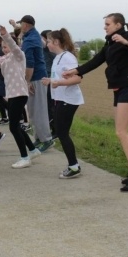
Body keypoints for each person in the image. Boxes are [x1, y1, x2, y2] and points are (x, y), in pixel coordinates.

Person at [63, 13, 128, 192]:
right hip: (118, 87)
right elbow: (96, 61)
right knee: (120, 132)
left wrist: (125, 42)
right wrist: (76, 71)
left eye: (108, 24)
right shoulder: (109, 42)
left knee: (121, 132)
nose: (105, 27)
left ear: (118, 25)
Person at [0, 25, 42, 168]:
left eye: (7, 46)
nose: (5, 48)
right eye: (3, 47)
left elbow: (14, 47)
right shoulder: (5, 59)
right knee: (16, 126)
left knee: (14, 127)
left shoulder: (19, 56)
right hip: (12, 94)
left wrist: (5, 35)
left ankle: (24, 157)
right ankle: (32, 150)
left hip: (20, 93)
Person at [41, 28, 84, 178]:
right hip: (60, 99)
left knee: (62, 133)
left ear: (56, 42)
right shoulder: (58, 57)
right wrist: (52, 81)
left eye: (48, 41)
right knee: (61, 132)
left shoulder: (68, 57)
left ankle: (74, 167)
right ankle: (73, 165)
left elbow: (77, 78)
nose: (47, 44)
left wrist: (57, 82)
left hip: (68, 100)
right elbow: (58, 78)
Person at [10, 15, 54, 151]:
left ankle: (46, 140)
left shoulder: (30, 41)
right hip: (37, 76)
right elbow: (42, 43)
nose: (20, 27)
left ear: (25, 25)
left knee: (38, 110)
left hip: (35, 77)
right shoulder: (34, 35)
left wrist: (27, 81)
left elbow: (30, 64)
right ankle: (39, 138)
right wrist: (14, 26)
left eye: (21, 24)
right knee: (33, 111)